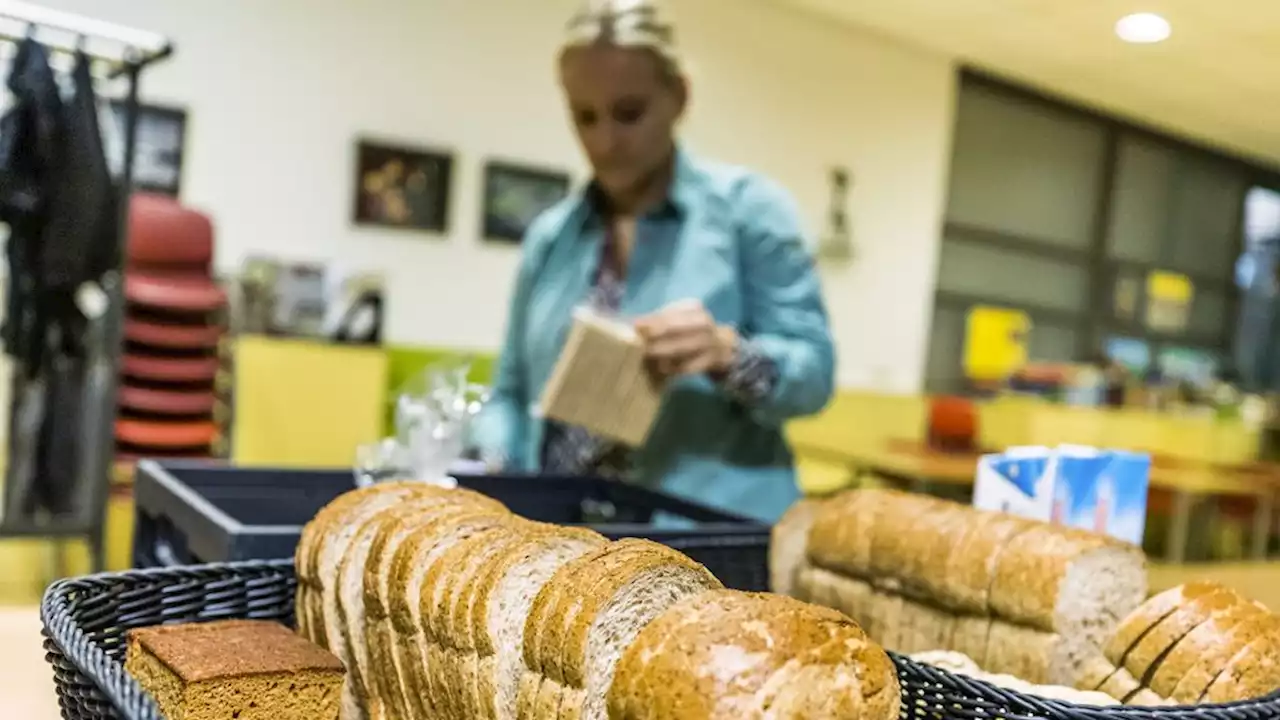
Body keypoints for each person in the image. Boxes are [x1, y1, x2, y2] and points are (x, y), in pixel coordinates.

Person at [473, 0, 835, 523]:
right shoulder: (551, 239)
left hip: (706, 540)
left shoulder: (749, 213)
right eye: (585, 117)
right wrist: (495, 454)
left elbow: (815, 374)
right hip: (566, 542)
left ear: (680, 97)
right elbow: (508, 393)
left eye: (629, 113)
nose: (605, 141)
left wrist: (727, 354)